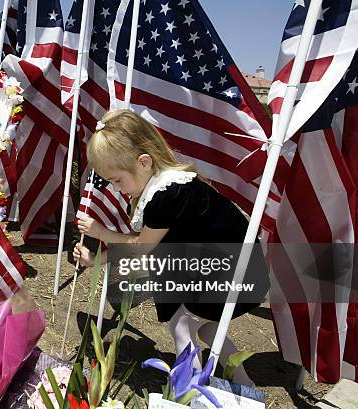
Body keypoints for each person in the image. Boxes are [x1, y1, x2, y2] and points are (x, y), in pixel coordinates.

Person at [73, 109, 256, 386]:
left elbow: (140, 247)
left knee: (181, 324)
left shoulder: (166, 195)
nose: (116, 188)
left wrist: (100, 241)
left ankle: (190, 392)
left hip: (229, 271)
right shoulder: (171, 184)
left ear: (144, 162)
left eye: (117, 180)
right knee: (207, 328)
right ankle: (244, 384)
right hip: (231, 267)